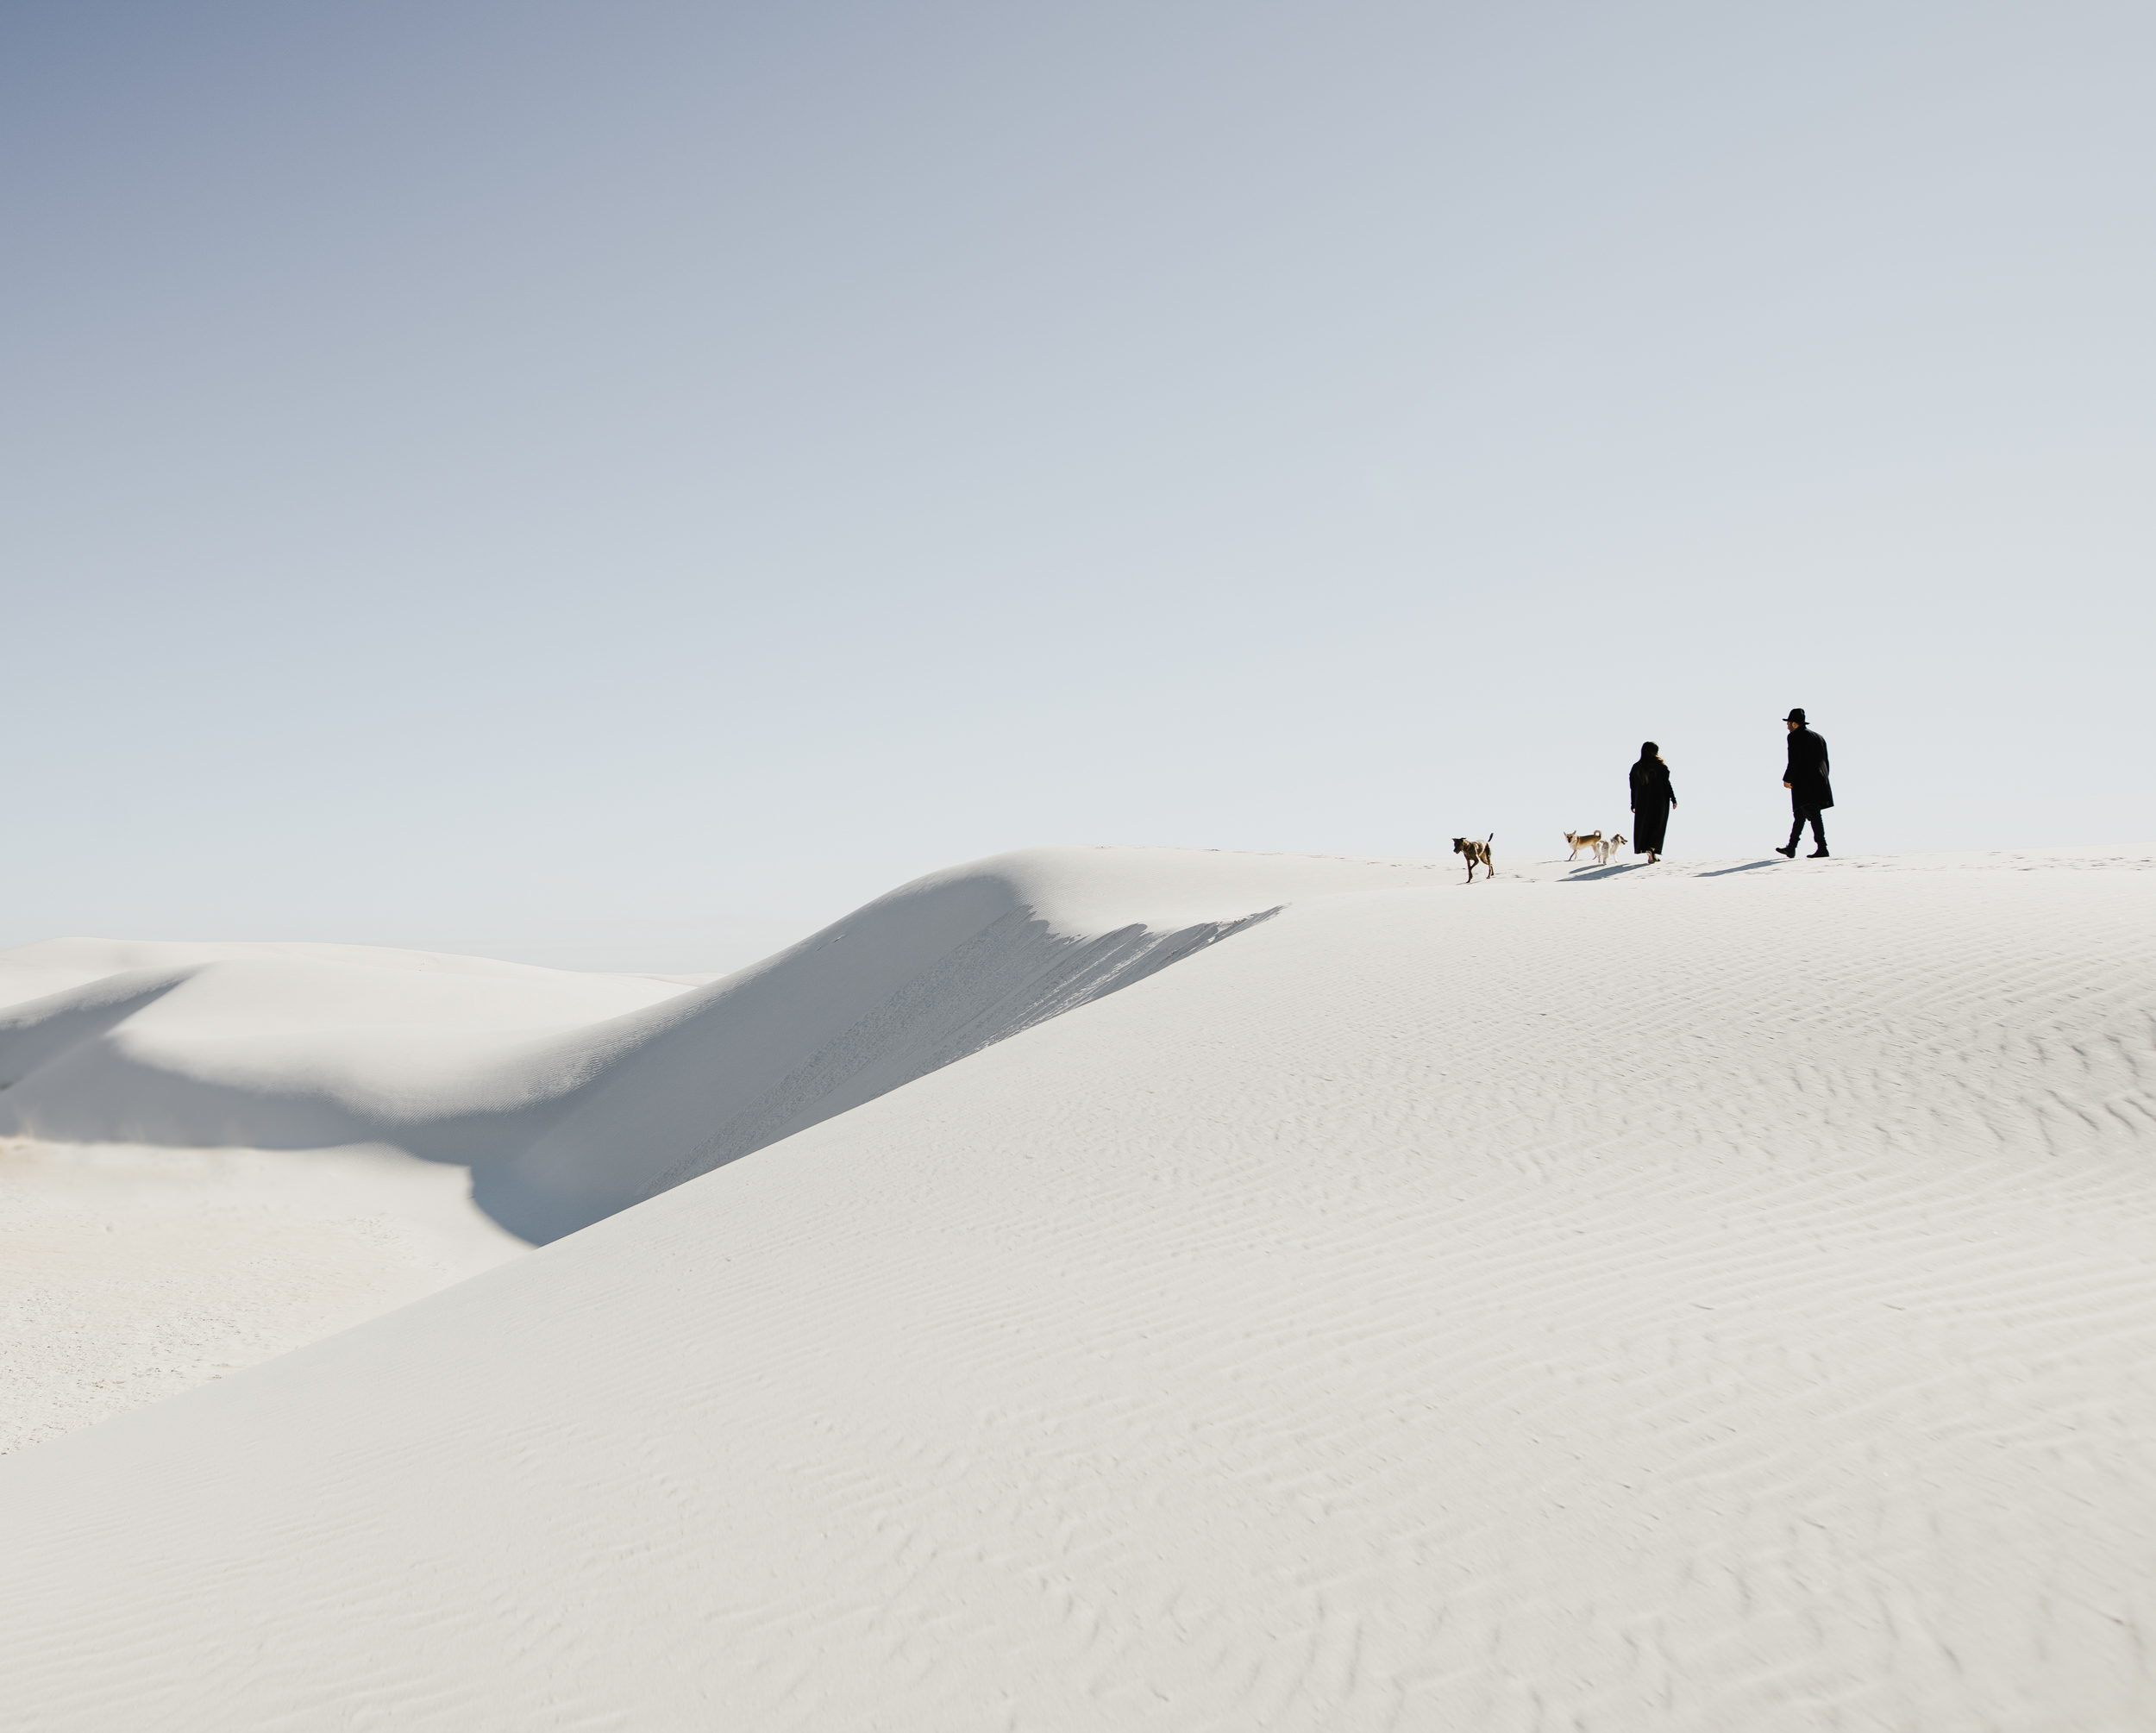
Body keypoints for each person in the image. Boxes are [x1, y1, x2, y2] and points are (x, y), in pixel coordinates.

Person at [1775, 708, 1833, 858]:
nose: (1787, 726)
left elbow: (1794, 759)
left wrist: (1787, 778)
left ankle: (1822, 848)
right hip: (1820, 779)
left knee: (1813, 813)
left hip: (1804, 781)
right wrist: (1825, 778)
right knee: (1800, 813)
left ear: (1794, 723)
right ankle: (1792, 847)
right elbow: (1826, 761)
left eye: (1788, 723)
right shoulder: (1818, 737)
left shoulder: (1794, 737)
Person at [1629, 742, 1676, 863]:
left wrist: (1633, 803)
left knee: (1645, 826)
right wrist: (1673, 799)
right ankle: (1652, 848)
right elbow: (1666, 784)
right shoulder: (1660, 766)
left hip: (1642, 803)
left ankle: (1650, 853)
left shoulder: (1636, 767)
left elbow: (1633, 787)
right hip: (1659, 801)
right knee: (1658, 826)